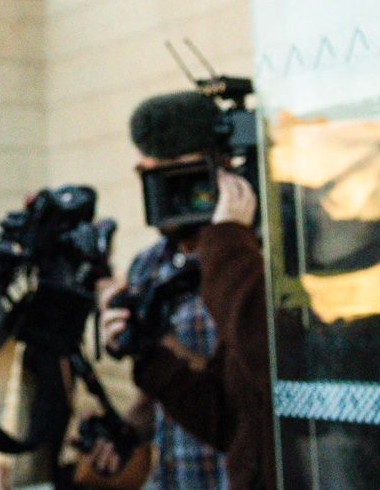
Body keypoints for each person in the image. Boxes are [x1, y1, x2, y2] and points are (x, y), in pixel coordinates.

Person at [102, 105, 275, 490]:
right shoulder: (149, 265)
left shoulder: (254, 257)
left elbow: (255, 381)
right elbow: (164, 397)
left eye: (180, 175)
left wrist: (229, 239)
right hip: (176, 475)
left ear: (225, 169)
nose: (166, 191)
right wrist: (130, 427)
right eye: (150, 176)